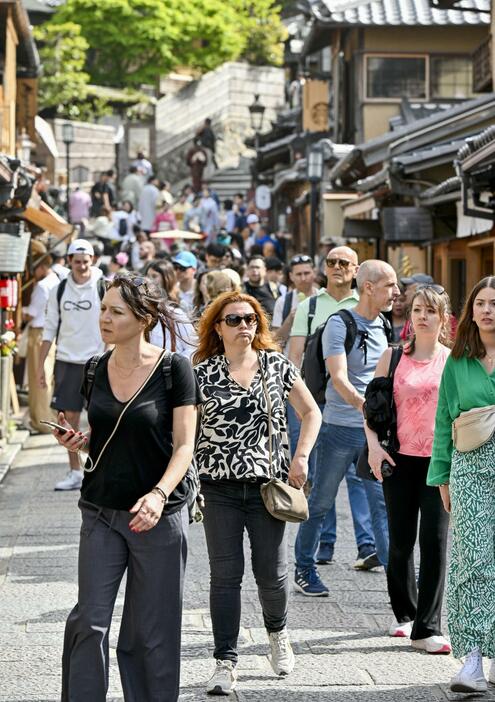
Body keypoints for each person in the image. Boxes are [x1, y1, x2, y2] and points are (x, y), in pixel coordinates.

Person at [53, 272, 200, 702]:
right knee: (89, 621)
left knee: (150, 630)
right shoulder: (94, 368)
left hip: (158, 516)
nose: (104, 317)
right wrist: (79, 444)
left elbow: (185, 444)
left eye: (115, 311)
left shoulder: (175, 369)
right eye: (102, 308)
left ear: (144, 318)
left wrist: (158, 495)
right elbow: (107, 438)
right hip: (99, 509)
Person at [193, 291, 321, 695]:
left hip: (268, 488)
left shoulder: (275, 365)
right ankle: (224, 661)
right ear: (218, 327)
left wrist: (300, 457)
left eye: (250, 319)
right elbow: (180, 430)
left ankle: (277, 635)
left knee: (272, 573)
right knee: (225, 577)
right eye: (234, 320)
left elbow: (311, 411)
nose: (244, 326)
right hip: (218, 488)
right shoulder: (201, 373)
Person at [294, 260, 399, 595]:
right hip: (338, 429)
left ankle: (396, 580)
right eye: (389, 285)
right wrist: (364, 407)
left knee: (381, 503)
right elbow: (338, 377)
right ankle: (304, 568)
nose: (396, 292)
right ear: (368, 287)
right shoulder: (339, 324)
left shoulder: (384, 324)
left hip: (375, 435)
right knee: (321, 502)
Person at [365, 284, 452, 654]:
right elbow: (372, 408)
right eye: (417, 309)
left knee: (434, 543)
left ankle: (428, 628)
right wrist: (373, 449)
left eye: (430, 310)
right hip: (398, 461)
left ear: (443, 317)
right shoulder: (393, 357)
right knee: (400, 542)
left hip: (439, 463)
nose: (422, 316)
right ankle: (405, 614)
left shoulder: (453, 359)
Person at [288, 247, 378, 569]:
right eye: (331, 262)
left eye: (344, 263)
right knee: (321, 480)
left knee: (359, 478)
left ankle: (366, 544)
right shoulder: (309, 307)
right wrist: (298, 405)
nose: (337, 267)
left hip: (358, 409)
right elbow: (295, 358)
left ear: (356, 271)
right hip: (319, 404)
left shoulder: (364, 307)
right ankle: (324, 546)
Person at [428, 276, 495, 693]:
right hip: (470, 463)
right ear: (470, 311)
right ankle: (472, 660)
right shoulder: (457, 359)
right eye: (482, 303)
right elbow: (442, 422)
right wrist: (441, 476)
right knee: (472, 557)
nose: (489, 310)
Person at [38, 240, 105, 491]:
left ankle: (100, 467)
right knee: (69, 419)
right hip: (66, 360)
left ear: (92, 260)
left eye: (85, 261)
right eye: (77, 261)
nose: (81, 266)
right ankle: (75, 471)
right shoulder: (60, 288)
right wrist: (40, 366)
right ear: (69, 261)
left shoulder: (102, 286)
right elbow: (49, 327)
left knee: (102, 416)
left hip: (97, 360)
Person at [22, 248, 60, 433]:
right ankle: (47, 418)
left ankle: (41, 421)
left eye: (35, 268)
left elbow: (31, 314)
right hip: (49, 333)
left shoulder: (43, 285)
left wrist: (21, 311)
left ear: (42, 266)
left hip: (39, 333)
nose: (33, 273)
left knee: (38, 378)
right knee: (46, 376)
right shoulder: (56, 281)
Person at [147, 261, 198, 359]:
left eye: (154, 276)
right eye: (148, 276)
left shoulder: (178, 308)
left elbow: (192, 347)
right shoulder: (144, 308)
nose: (149, 280)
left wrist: (175, 366)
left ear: (166, 279)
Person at [171, 251, 197, 316]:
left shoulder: (201, 289)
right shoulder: (171, 289)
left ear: (194, 270)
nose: (178, 271)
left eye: (182, 268)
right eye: (175, 267)